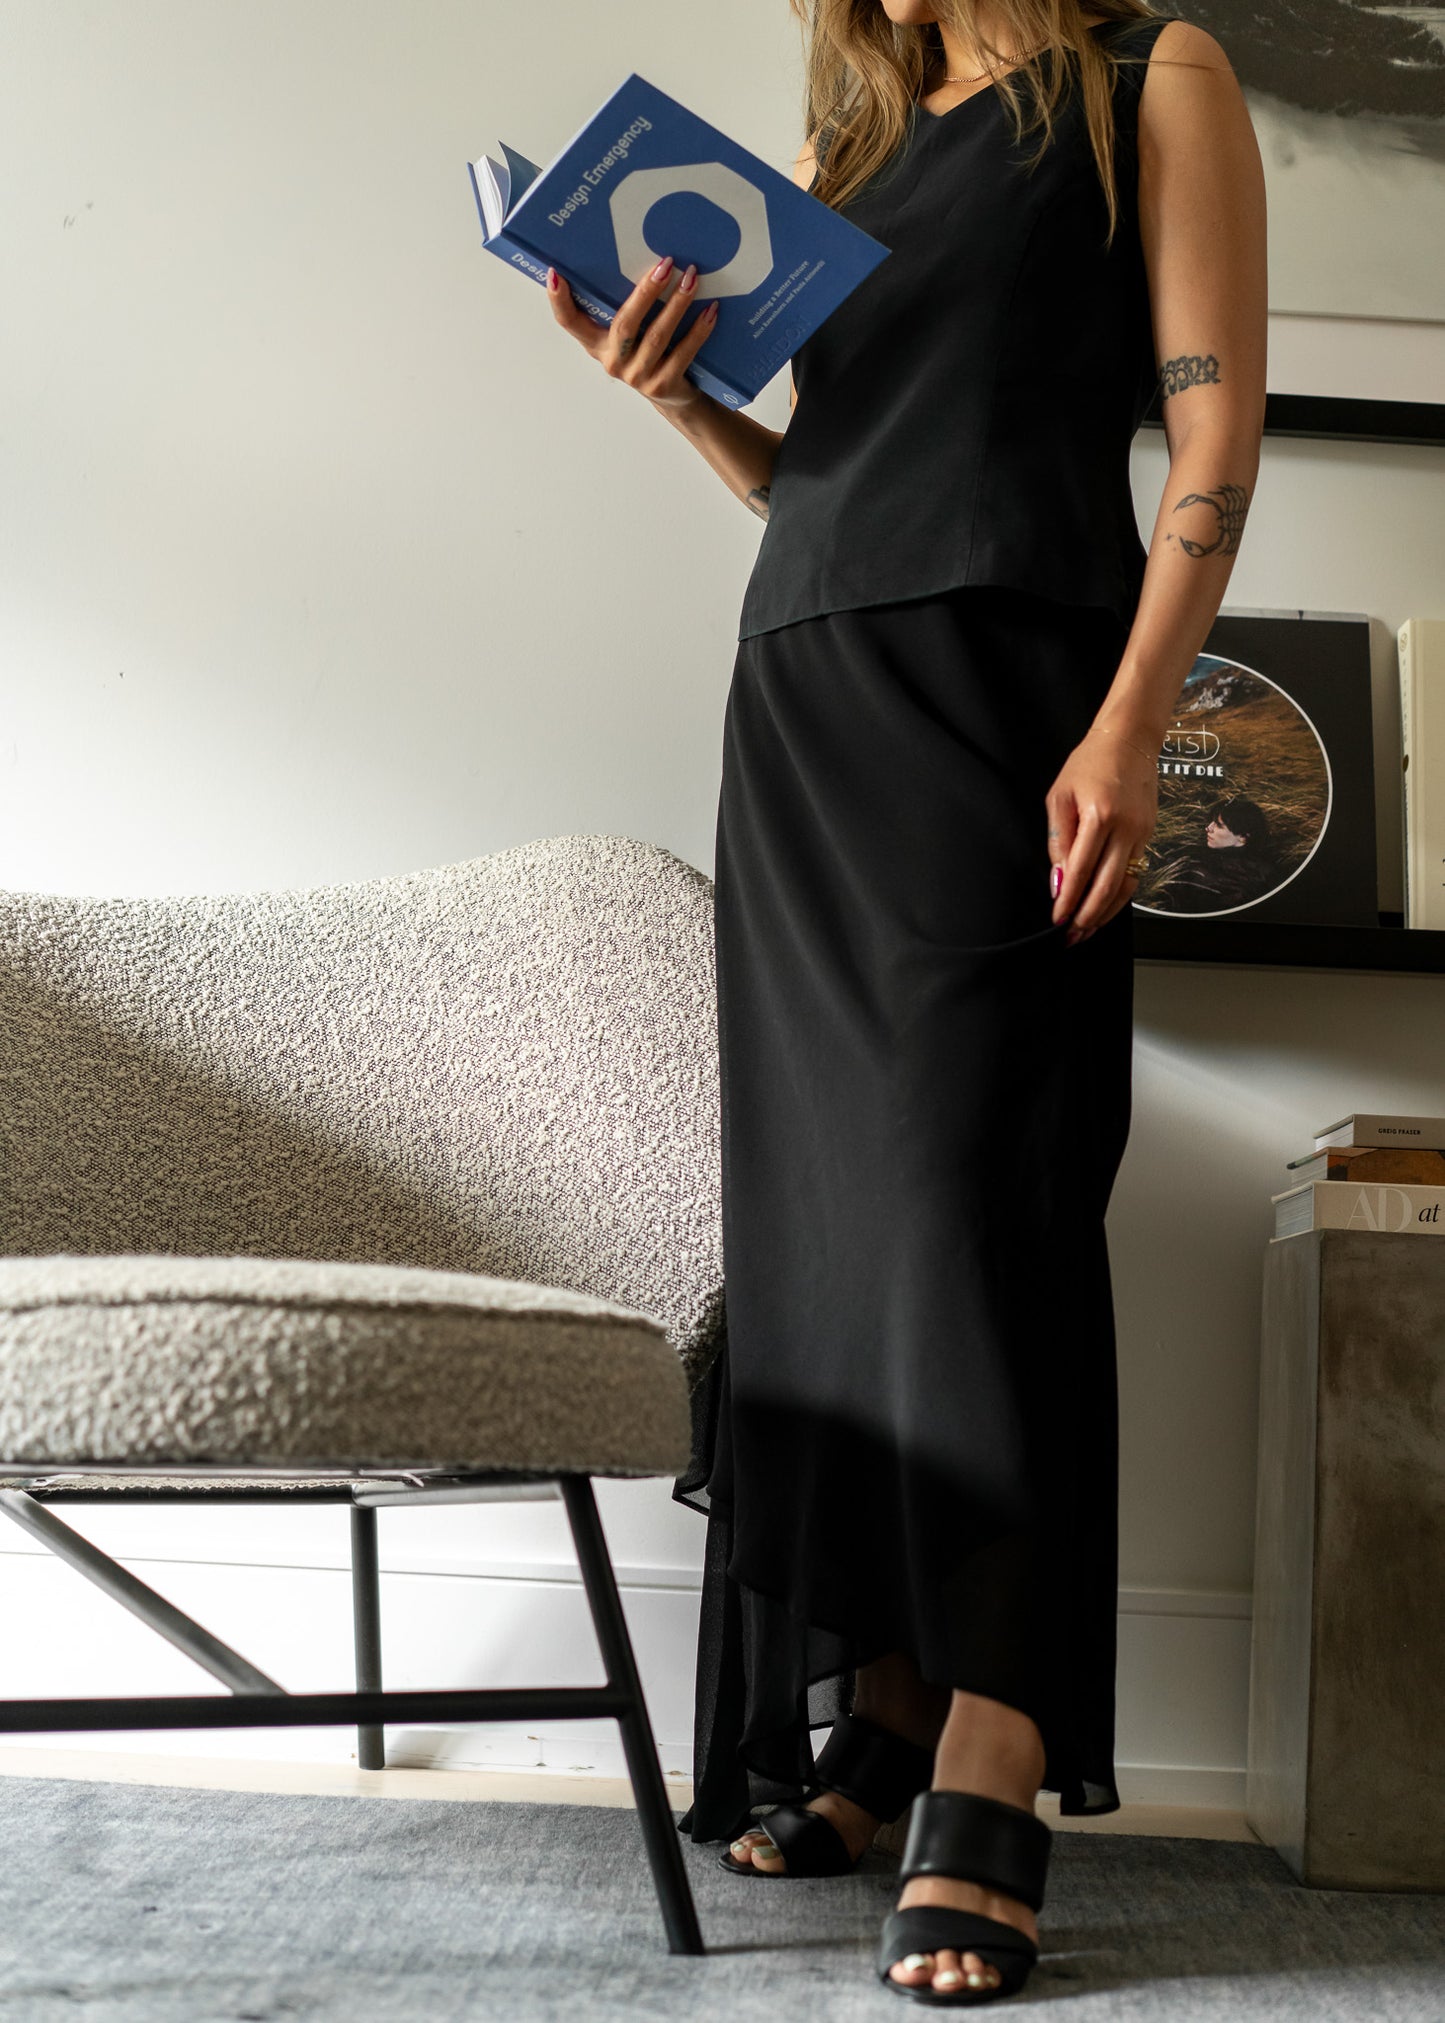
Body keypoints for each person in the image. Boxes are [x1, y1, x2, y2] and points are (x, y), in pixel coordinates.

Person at [546, 1, 1266, 2003]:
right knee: (834, 1228)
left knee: (978, 1197)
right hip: (803, 703)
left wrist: (1139, 725)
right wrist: (682, 400)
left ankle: (998, 1735)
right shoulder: (852, 152)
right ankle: (875, 1708)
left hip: (1014, 702)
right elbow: (840, 485)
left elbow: (1215, 430)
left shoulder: (1153, 79)